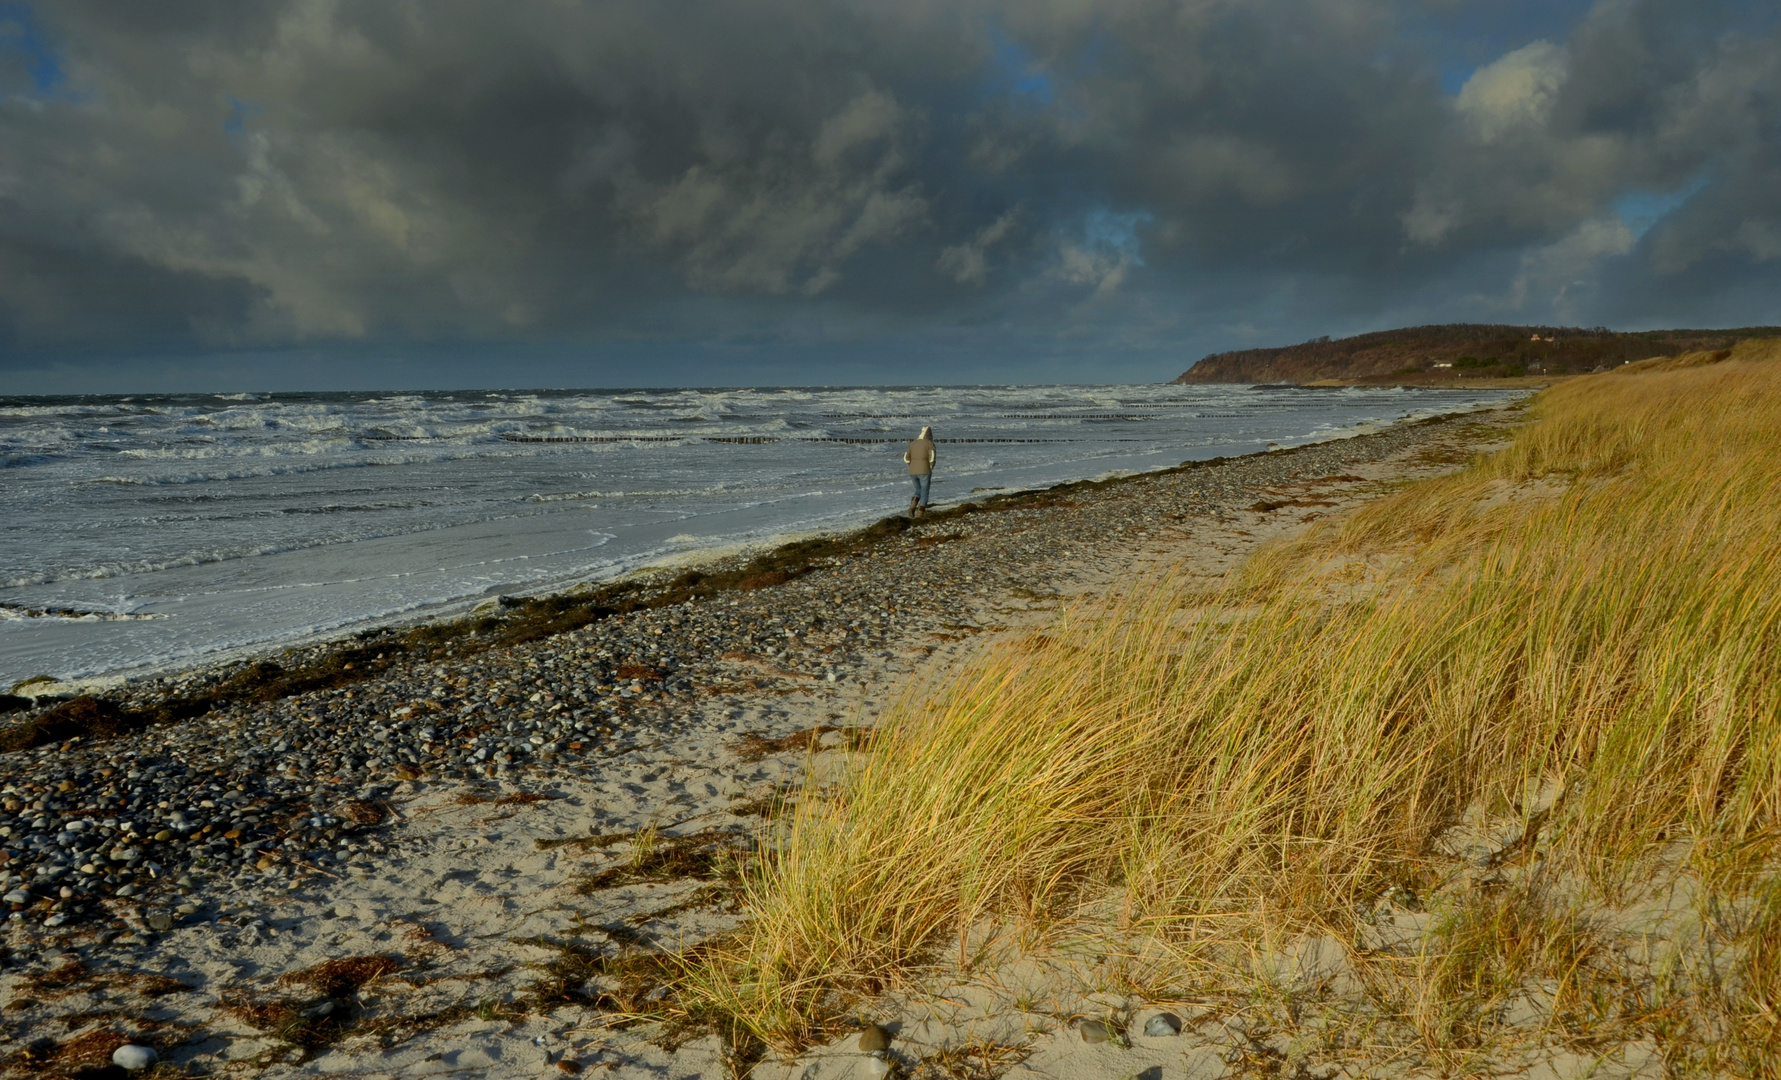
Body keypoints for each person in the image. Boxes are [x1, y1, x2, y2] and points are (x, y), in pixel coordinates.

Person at [904, 426, 936, 518]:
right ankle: (920, 514)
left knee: (918, 490)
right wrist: (931, 467)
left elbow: (906, 458)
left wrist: (911, 465)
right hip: (924, 471)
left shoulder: (912, 443)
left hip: (912, 471)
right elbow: (932, 458)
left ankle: (912, 508)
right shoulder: (929, 444)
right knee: (925, 492)